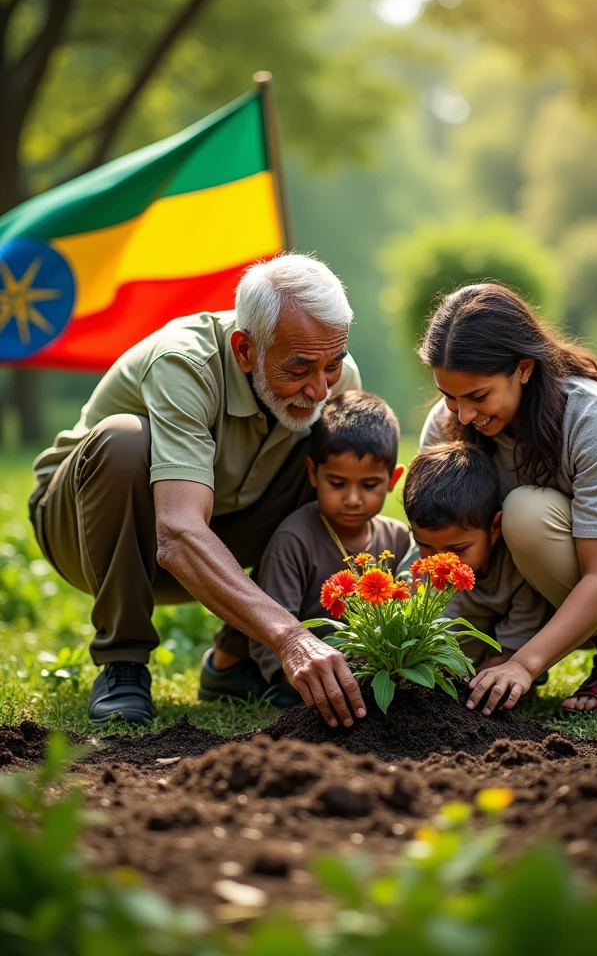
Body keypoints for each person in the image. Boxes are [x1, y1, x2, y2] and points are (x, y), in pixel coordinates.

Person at [28, 255, 368, 730]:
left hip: (216, 528)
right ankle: (122, 663)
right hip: (88, 532)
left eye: (333, 363)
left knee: (332, 458)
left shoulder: (333, 382)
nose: (318, 387)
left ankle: (231, 663)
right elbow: (178, 531)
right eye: (300, 368)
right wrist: (290, 638)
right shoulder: (184, 363)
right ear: (245, 350)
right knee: (125, 440)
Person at [419, 283, 597, 716]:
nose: (462, 414)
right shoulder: (449, 421)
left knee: (526, 513)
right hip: (527, 585)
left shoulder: (593, 420)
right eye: (449, 395)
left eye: (478, 396)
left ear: (524, 369)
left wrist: (523, 663)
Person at [244, 390, 410, 690]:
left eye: (370, 485)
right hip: (304, 679)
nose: (353, 499)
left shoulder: (397, 539)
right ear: (313, 473)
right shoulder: (293, 539)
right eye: (337, 483)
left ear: (392, 480)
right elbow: (271, 632)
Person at [402, 441, 549, 674]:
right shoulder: (416, 575)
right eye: (425, 546)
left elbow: (517, 644)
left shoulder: (519, 568)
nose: (441, 563)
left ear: (494, 528)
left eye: (458, 550)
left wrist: (500, 668)